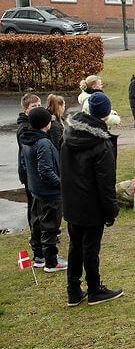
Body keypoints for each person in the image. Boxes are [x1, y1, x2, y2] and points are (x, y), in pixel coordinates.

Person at [61, 92, 123, 306]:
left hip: (72, 202)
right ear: (106, 114)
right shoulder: (101, 145)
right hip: (90, 204)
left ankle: (73, 289)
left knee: (75, 245)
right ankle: (94, 288)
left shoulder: (68, 135)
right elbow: (105, 183)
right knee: (90, 248)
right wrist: (111, 211)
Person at [19, 107, 68, 273]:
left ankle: (39, 257)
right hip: (49, 192)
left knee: (38, 223)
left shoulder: (27, 139)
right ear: (45, 123)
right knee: (50, 226)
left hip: (36, 189)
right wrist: (61, 184)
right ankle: (51, 261)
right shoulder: (43, 143)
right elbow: (46, 170)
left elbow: (26, 165)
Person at [17, 94, 42, 264]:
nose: (38, 107)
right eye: (34, 106)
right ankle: (36, 237)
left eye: (40, 104)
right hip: (29, 172)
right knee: (33, 205)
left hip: (32, 171)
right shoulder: (24, 129)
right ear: (26, 110)